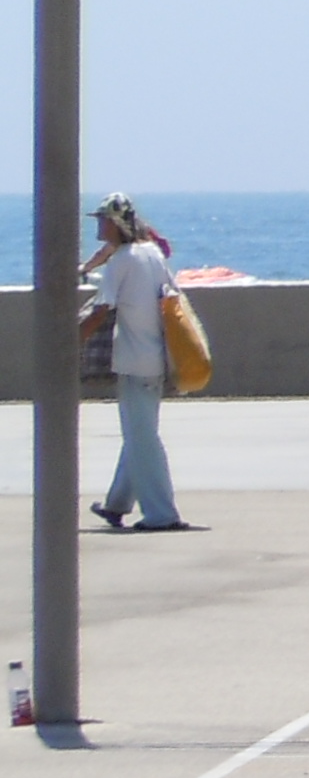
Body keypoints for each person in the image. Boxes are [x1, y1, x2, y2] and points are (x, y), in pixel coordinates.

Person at [80, 197, 193, 533]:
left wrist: (69, 342)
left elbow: (101, 310)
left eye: (102, 220)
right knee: (138, 434)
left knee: (143, 439)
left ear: (116, 223)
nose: (99, 226)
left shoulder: (123, 261)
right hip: (157, 360)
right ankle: (116, 505)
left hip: (134, 362)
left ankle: (162, 514)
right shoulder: (150, 254)